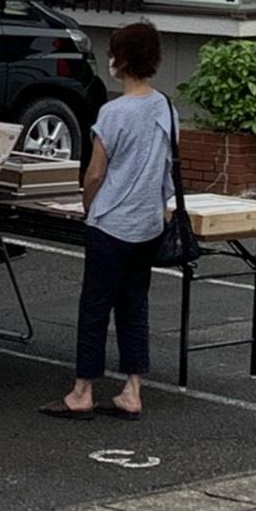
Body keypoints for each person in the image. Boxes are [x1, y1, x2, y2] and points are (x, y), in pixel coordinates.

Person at [41, 21, 171, 421]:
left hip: (111, 222)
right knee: (134, 306)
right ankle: (132, 388)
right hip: (148, 222)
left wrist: (87, 205)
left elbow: (95, 173)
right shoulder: (165, 106)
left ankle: (82, 389)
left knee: (95, 308)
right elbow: (168, 167)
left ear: (121, 60)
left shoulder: (113, 112)